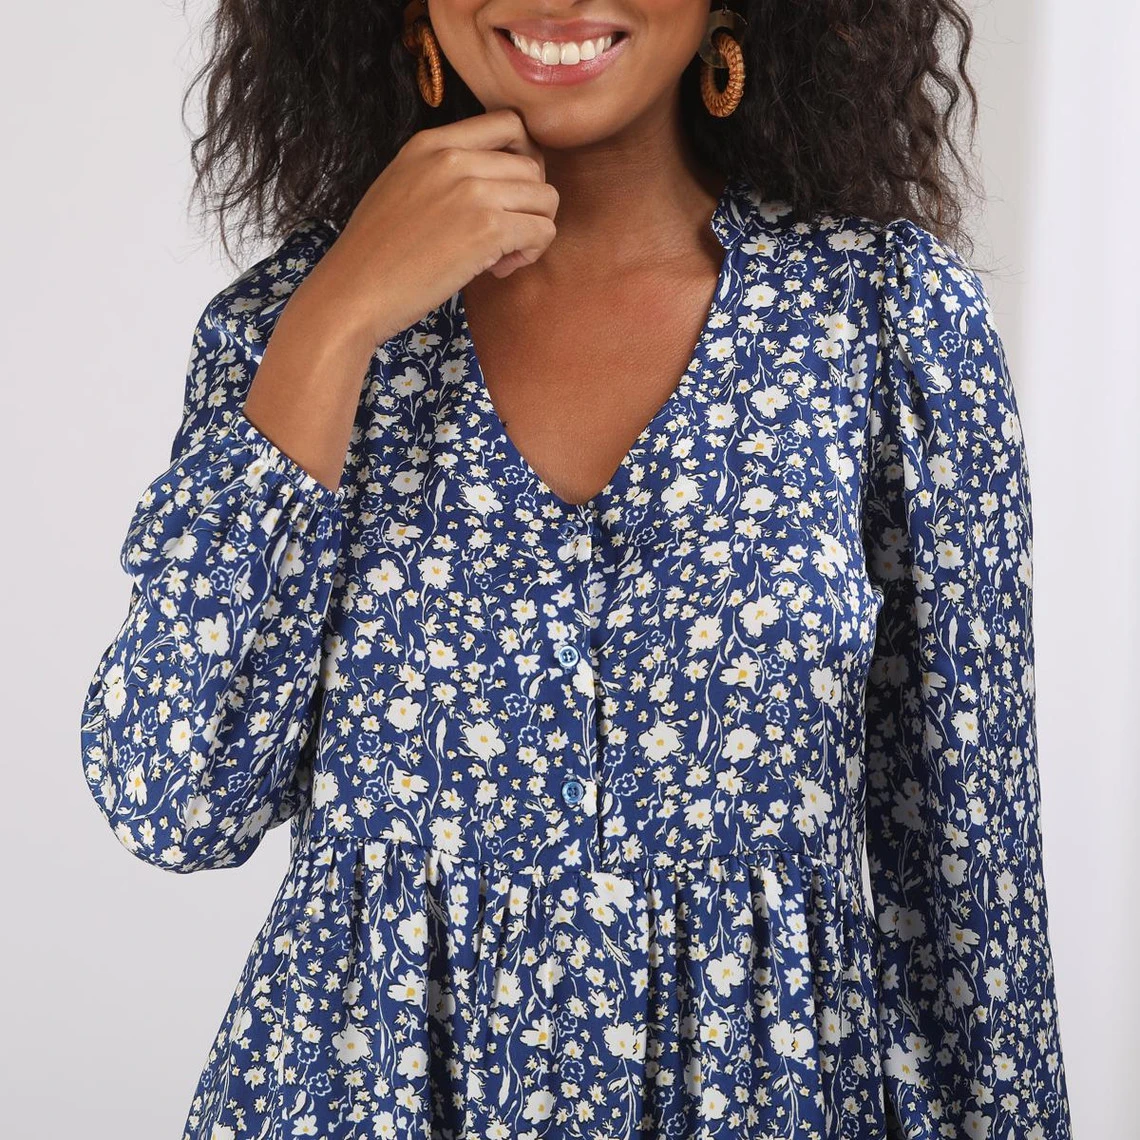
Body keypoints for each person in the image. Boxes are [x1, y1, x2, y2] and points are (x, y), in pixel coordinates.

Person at [79, 0, 1075, 1136]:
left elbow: (974, 887)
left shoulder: (884, 320)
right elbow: (173, 799)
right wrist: (336, 320)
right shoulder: (291, 331)